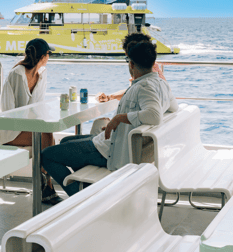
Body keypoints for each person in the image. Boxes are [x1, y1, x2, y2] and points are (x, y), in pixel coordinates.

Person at [41, 39, 179, 197]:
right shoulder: (161, 84)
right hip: (119, 143)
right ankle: (89, 189)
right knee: (66, 142)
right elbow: (173, 108)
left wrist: (119, 119)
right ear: (153, 62)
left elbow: (154, 116)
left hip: (111, 151)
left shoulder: (144, 87)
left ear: (131, 64)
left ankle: (85, 199)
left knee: (47, 155)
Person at [0, 38, 62, 205]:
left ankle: (45, 185)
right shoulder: (17, 74)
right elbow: (9, 112)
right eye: (48, 54)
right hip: (7, 130)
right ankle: (46, 186)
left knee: (47, 135)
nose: (49, 58)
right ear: (43, 56)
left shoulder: (42, 74)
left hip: (27, 128)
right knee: (46, 137)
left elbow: (38, 106)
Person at [96, 33, 166, 103]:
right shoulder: (150, 66)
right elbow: (132, 90)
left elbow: (135, 93)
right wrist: (110, 97)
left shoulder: (145, 69)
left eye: (128, 57)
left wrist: (110, 97)